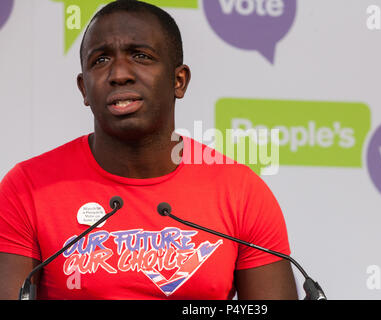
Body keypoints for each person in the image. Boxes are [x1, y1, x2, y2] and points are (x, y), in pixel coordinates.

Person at [0, 0, 297, 300]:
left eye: (141, 56)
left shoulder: (241, 193)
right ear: (84, 89)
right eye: (100, 60)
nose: (119, 74)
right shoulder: (27, 188)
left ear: (178, 81)